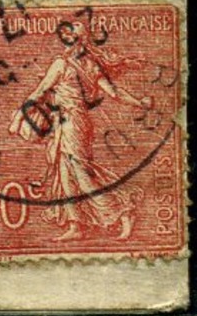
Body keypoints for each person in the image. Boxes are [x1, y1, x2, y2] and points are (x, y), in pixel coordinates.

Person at [8, 18, 152, 241]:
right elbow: (114, 93)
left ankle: (123, 211)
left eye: (69, 32)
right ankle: (76, 225)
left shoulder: (62, 64)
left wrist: (21, 114)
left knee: (81, 174)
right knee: (66, 174)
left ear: (72, 39)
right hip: (72, 122)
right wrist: (139, 102)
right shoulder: (90, 64)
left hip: (73, 123)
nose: (65, 35)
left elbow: (40, 90)